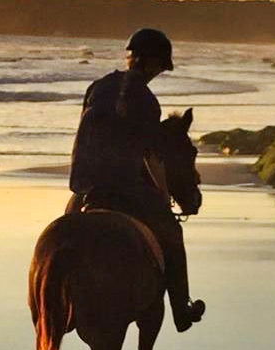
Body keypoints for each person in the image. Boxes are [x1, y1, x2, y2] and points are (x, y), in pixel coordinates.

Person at [67, 28, 205, 332]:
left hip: (85, 183)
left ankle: (63, 301)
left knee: (66, 226)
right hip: (124, 187)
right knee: (172, 233)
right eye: (160, 67)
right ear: (150, 61)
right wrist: (163, 196)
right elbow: (151, 156)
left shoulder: (97, 87)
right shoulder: (146, 99)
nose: (158, 73)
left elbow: (85, 135)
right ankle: (181, 309)